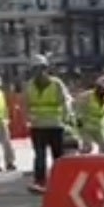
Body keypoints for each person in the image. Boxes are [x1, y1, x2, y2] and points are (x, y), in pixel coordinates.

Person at [24, 55, 72, 193]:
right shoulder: (29, 86)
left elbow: (66, 100)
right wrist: (27, 118)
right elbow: (25, 104)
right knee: (39, 155)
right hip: (38, 126)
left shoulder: (56, 83)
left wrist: (67, 116)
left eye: (41, 68)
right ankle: (40, 182)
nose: (38, 72)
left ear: (46, 69)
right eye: (35, 69)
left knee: (58, 155)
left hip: (55, 125)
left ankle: (61, 181)